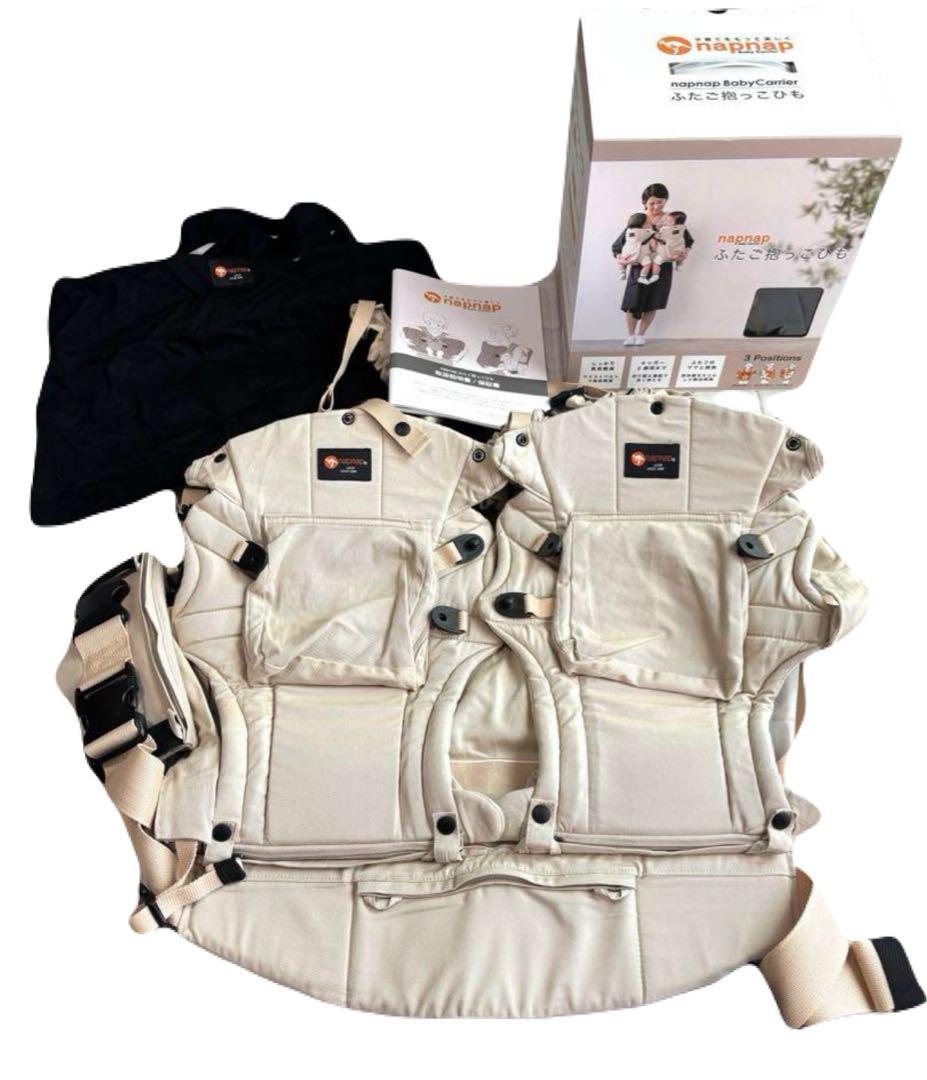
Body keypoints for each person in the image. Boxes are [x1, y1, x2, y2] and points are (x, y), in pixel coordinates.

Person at [611, 184, 693, 346]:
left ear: (666, 201)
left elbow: (688, 240)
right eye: (652, 203)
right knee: (632, 302)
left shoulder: (672, 219)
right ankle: (630, 335)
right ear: (645, 202)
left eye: (660, 202)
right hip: (638, 266)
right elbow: (619, 243)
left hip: (662, 267)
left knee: (653, 302)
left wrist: (683, 254)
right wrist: (620, 259)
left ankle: (641, 335)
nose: (656, 206)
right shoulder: (639, 219)